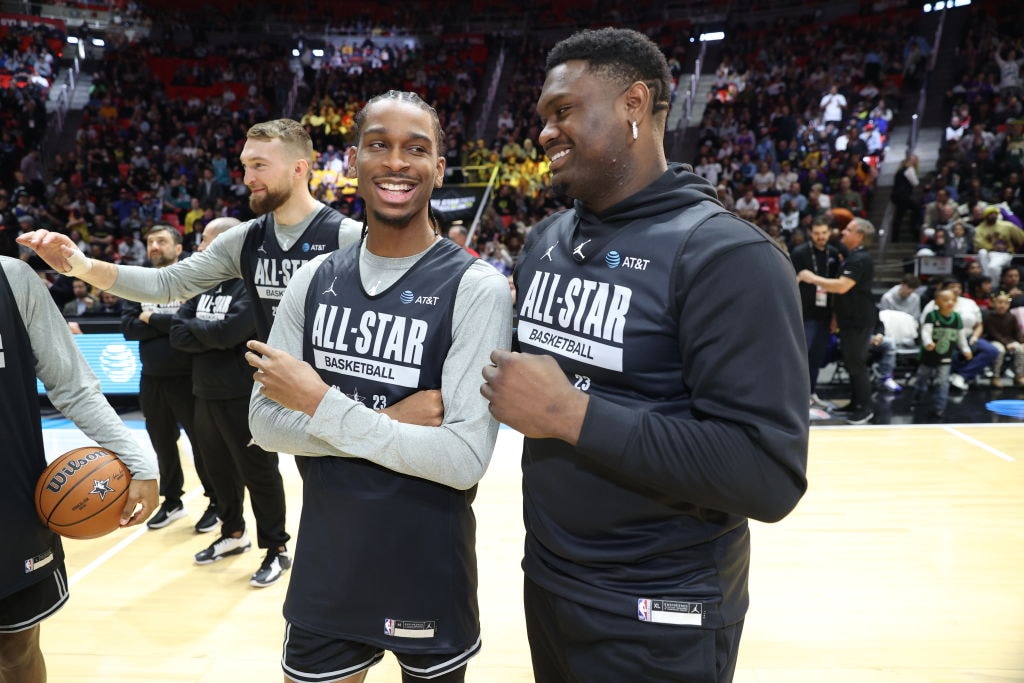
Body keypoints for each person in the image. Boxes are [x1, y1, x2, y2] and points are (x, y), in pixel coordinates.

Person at [480, 29, 808, 682]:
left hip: (662, 609)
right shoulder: (545, 238)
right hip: (548, 579)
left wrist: (572, 413)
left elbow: (768, 474)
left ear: (634, 103)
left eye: (563, 111)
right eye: (542, 116)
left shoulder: (728, 256)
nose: (543, 132)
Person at [246, 91, 512, 682]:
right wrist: (394, 419)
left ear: (439, 169)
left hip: (428, 563)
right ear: (353, 161)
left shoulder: (477, 288)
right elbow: (263, 424)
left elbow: (463, 459)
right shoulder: (314, 278)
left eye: (416, 149)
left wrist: (316, 403)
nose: (397, 162)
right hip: (328, 561)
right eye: (379, 146)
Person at [16, 118, 363, 344]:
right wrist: (82, 265)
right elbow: (166, 284)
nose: (247, 179)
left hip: (340, 394)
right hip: (280, 393)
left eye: (260, 165)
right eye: (245, 166)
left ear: (299, 169)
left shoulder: (347, 235)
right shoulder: (243, 239)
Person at [0, 255, 158, 682]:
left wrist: (138, 461)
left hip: (10, 502)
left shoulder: (12, 278)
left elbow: (71, 384)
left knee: (16, 646)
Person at [169, 217, 292, 586]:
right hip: (204, 393)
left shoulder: (251, 286)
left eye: (206, 241)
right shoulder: (203, 287)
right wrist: (209, 336)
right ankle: (234, 533)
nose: (199, 248)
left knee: (259, 474)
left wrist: (204, 335)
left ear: (225, 245)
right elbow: (177, 330)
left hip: (246, 396)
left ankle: (276, 550)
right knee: (217, 469)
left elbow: (228, 333)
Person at [121, 225, 218, 530]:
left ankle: (216, 500)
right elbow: (128, 327)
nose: (154, 246)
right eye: (150, 241)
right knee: (162, 443)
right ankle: (172, 501)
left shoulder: (193, 277)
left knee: (202, 444)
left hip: (189, 377)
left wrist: (150, 318)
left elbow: (193, 324)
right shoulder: (138, 282)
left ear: (178, 248)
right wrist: (170, 324)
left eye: (161, 241)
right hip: (151, 378)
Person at [797, 217, 878, 425]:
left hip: (857, 319)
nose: (842, 232)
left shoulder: (857, 258)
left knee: (857, 363)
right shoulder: (850, 255)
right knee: (850, 362)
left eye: (848, 230)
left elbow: (841, 286)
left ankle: (865, 408)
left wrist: (811, 278)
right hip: (840, 317)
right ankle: (855, 402)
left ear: (859, 235)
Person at [791, 219, 841, 413]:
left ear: (829, 233)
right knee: (801, 356)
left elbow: (837, 286)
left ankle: (811, 393)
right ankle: (797, 396)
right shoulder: (800, 253)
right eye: (817, 233)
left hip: (826, 313)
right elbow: (792, 282)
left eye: (824, 233)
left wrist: (835, 316)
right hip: (805, 313)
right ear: (810, 234)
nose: (821, 237)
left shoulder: (835, 254)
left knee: (817, 357)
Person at [919, 278, 1000, 391]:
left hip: (968, 337)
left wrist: (975, 337)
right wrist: (930, 341)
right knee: (952, 353)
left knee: (991, 350)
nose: (956, 289)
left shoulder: (969, 303)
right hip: (943, 339)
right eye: (952, 287)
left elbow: (979, 325)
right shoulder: (933, 304)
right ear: (944, 289)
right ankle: (944, 379)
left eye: (959, 287)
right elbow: (925, 327)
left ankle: (961, 376)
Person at [915, 289, 972, 419]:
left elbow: (961, 337)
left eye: (952, 300)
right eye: (945, 300)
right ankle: (917, 398)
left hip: (945, 357)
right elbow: (925, 332)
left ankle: (939, 408)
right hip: (928, 356)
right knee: (922, 378)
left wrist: (966, 349)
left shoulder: (957, 318)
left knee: (942, 382)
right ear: (937, 302)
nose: (950, 302)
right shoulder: (932, 316)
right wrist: (928, 342)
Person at [982, 292, 1024, 387]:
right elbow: (994, 334)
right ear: (993, 303)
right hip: (993, 341)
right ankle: (996, 376)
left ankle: (1019, 375)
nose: (1002, 305)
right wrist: (1006, 344)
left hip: (1010, 341)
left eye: (1006, 303)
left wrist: (1022, 342)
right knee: (999, 350)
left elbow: (1017, 332)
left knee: (1020, 349)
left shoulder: (1012, 317)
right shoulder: (989, 317)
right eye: (1000, 302)